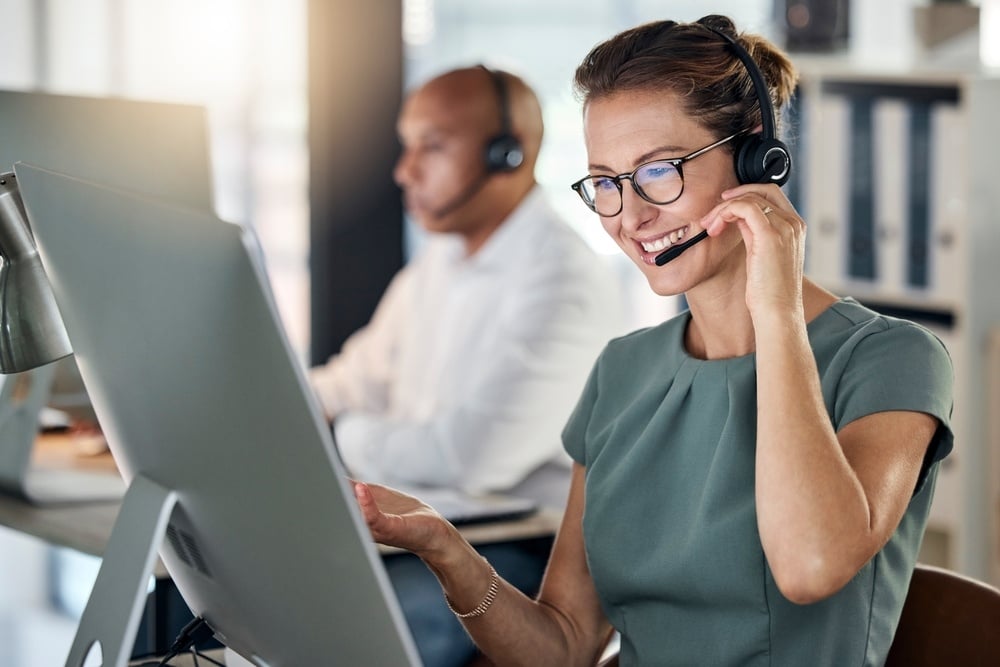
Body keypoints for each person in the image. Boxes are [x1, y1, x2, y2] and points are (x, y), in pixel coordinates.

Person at [352, 15, 955, 667]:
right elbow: (563, 645)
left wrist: (775, 308)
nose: (630, 216)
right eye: (605, 182)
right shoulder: (624, 372)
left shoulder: (890, 359)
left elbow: (810, 565)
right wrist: (443, 546)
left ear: (756, 157)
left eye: (659, 171)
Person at [309, 65, 624, 666]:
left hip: (515, 552)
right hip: (415, 527)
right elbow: (352, 380)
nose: (405, 171)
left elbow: (472, 458)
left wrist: (339, 431)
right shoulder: (440, 262)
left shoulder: (561, 281)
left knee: (357, 633)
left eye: (432, 146)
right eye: (407, 147)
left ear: (509, 154)